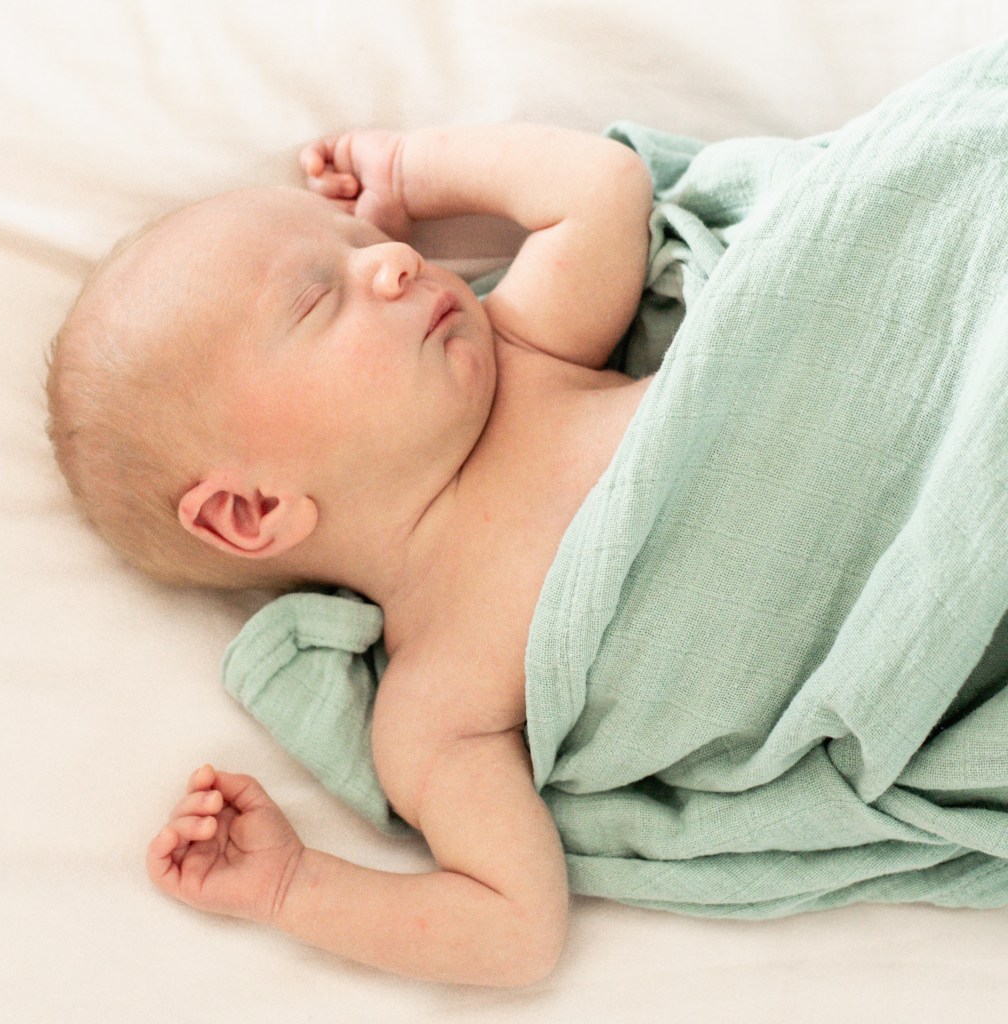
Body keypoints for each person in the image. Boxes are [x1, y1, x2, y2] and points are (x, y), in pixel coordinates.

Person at [46, 124, 655, 986]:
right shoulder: (432, 707)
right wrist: (293, 886)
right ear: (251, 510)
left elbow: (604, 186)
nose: (397, 262)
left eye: (371, 242)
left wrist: (411, 169)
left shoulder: (529, 347)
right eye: (318, 300)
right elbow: (515, 931)